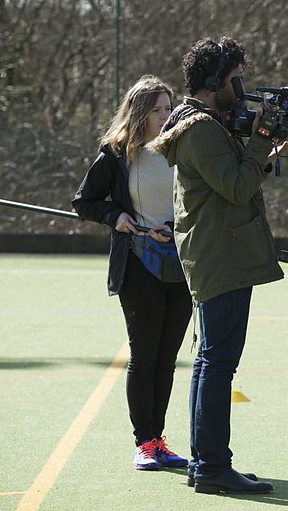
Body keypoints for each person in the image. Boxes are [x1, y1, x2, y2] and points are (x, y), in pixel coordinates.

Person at [148, 36, 288, 495]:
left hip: (217, 251)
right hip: (220, 256)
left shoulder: (201, 124)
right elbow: (234, 187)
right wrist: (261, 139)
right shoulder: (201, 129)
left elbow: (230, 183)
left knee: (211, 362)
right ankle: (211, 465)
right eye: (235, 78)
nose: (242, 86)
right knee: (217, 364)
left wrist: (264, 153)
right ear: (215, 81)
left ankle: (206, 464)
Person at [72, 75, 192, 471]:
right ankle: (144, 443)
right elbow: (85, 201)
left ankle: (159, 439)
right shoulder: (116, 154)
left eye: (168, 108)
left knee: (166, 360)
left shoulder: (181, 147)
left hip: (183, 266)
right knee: (144, 357)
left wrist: (176, 228)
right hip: (139, 264)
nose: (166, 115)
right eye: (158, 109)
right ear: (140, 113)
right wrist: (116, 215)